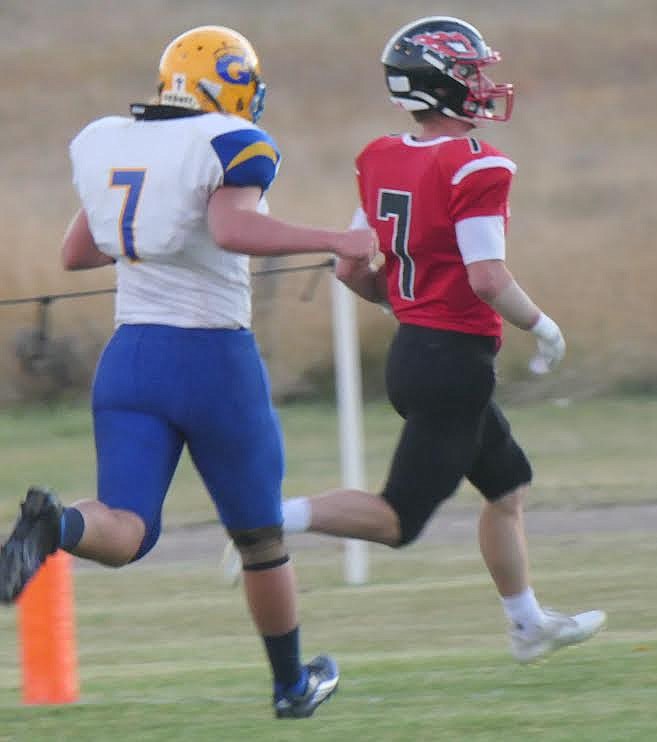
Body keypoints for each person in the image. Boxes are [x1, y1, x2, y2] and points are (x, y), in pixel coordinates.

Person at [0, 25, 378, 718]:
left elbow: (77, 253)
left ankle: (56, 525)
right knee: (260, 535)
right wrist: (333, 238)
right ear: (228, 82)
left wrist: (160, 227)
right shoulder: (230, 146)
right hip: (211, 359)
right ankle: (292, 686)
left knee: (124, 528)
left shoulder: (117, 139)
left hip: (131, 357)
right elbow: (234, 230)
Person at [223, 16, 606, 663]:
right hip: (452, 361)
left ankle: (526, 623)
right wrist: (541, 326)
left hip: (416, 353)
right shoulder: (475, 164)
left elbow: (349, 267)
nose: (481, 84)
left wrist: (405, 303)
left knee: (507, 485)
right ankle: (266, 518)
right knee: (397, 519)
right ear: (437, 85)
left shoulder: (380, 156)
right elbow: (486, 277)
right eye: (469, 73)